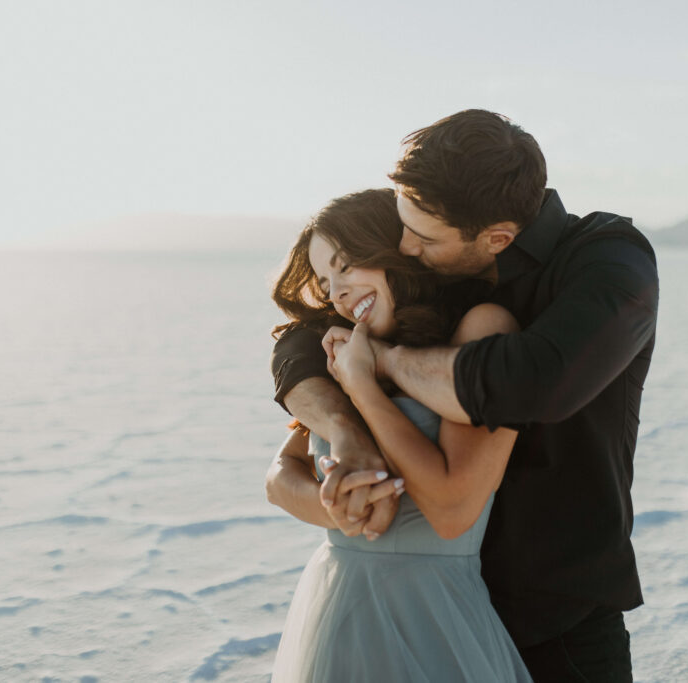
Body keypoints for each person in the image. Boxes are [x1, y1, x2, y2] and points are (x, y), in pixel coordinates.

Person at [271, 110, 660, 682]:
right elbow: (300, 344)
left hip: (554, 611)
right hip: (390, 612)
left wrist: (379, 366)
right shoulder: (430, 272)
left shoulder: (606, 262)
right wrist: (345, 445)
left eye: (421, 237)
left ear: (497, 237)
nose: (406, 246)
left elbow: (530, 385)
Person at [266, 188, 533, 682]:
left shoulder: (480, 329)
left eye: (347, 265)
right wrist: (337, 505)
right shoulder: (343, 351)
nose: (338, 292)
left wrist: (363, 386)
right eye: (326, 283)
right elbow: (280, 476)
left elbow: (454, 506)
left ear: (394, 249)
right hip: (336, 613)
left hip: (437, 620)